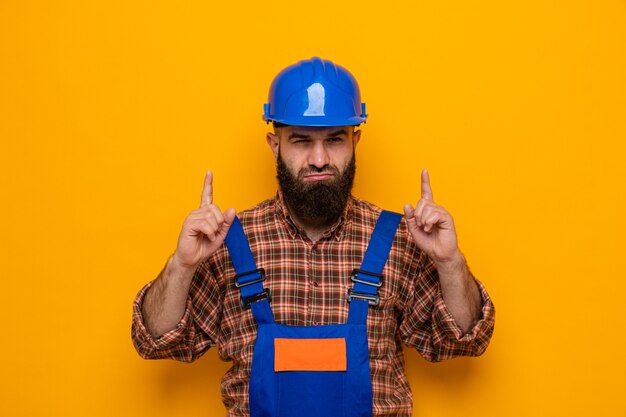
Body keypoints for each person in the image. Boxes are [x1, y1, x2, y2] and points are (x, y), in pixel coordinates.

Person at [132, 57, 495, 417]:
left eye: (334, 140)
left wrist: (450, 263)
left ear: (356, 141)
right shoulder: (228, 240)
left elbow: (463, 340)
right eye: (301, 141)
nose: (319, 159)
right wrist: (181, 265)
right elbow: (156, 341)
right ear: (275, 145)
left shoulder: (399, 238)